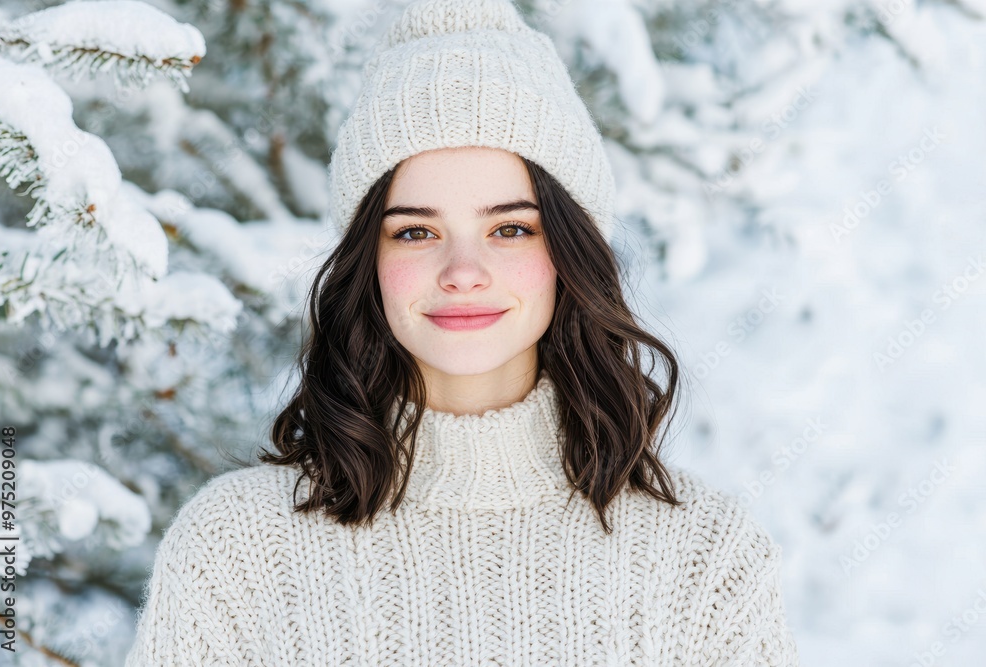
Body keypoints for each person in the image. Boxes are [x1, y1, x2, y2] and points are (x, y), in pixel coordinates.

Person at [125, 0, 800, 664]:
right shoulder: (235, 548)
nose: (463, 271)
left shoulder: (707, 560)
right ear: (370, 260)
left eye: (510, 228)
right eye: (416, 231)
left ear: (569, 251)